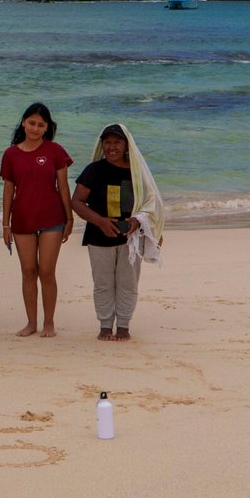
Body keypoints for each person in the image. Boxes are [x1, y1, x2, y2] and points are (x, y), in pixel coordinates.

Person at [71, 122, 165, 341]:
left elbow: (152, 204)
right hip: (98, 237)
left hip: (130, 239)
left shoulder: (137, 172)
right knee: (103, 283)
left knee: (128, 283)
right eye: (108, 142)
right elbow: (76, 201)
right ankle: (105, 326)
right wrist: (100, 221)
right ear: (102, 145)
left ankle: (123, 326)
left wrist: (136, 222)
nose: (112, 147)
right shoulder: (93, 170)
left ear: (126, 145)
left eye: (117, 142)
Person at [0, 102, 74, 337]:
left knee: (47, 271)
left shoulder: (55, 151)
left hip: (52, 218)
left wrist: (69, 218)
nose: (35, 128)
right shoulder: (11, 154)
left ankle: (49, 322)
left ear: (47, 128)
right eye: (31, 123)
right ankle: (31, 323)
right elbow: (8, 191)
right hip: (22, 220)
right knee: (28, 271)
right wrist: (5, 224)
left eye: (40, 125)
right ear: (23, 122)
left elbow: (63, 187)